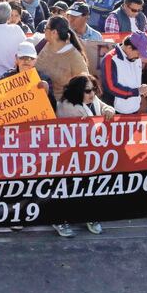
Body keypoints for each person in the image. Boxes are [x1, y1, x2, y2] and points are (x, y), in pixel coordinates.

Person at [54, 73, 114, 237]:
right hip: (69, 156)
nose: (92, 94)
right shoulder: (67, 106)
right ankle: (60, 219)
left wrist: (108, 110)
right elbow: (90, 126)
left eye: (94, 89)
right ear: (77, 91)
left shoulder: (91, 99)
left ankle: (89, 216)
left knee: (90, 186)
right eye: (88, 91)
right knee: (67, 189)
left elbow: (103, 106)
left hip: (89, 154)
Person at [35, 16, 89, 102]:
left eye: (46, 28)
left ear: (54, 32)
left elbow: (86, 85)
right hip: (37, 100)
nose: (44, 30)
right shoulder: (43, 44)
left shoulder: (75, 57)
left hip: (60, 107)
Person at [100, 32, 147, 115]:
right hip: (114, 112)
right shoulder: (110, 59)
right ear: (129, 48)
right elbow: (111, 87)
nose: (140, 56)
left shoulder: (136, 58)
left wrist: (142, 89)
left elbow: (134, 81)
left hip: (134, 110)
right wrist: (137, 91)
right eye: (138, 53)